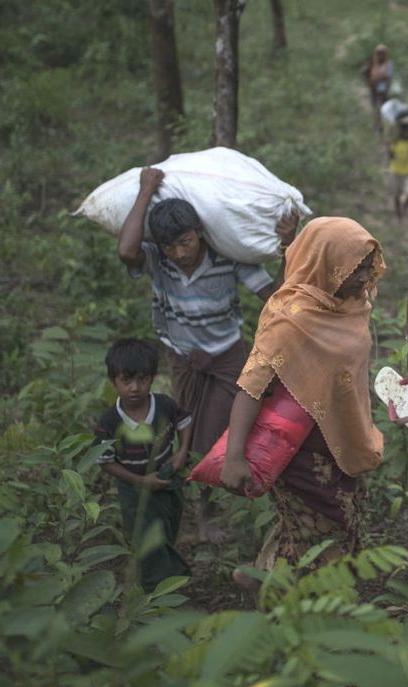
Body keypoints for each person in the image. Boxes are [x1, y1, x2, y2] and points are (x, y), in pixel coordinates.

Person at [117, 167, 297, 543]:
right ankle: (201, 508)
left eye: (186, 241)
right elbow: (126, 250)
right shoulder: (159, 261)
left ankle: (218, 507)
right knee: (187, 429)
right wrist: (146, 189)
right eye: (171, 246)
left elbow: (275, 296)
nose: (180, 253)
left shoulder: (227, 258)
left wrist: (287, 246)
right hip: (182, 358)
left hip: (227, 355)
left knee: (219, 430)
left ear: (200, 232)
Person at [220, 218, 385, 586]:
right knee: (328, 525)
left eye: (365, 267)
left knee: (337, 517)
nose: (363, 278)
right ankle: (305, 605)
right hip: (299, 448)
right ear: (325, 264)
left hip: (344, 436)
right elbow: (251, 387)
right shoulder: (291, 318)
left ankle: (265, 576)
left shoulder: (351, 305)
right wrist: (233, 458)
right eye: (354, 269)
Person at [93, 339, 192, 592]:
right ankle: (156, 587)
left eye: (142, 380)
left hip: (169, 479)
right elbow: (106, 462)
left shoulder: (164, 405)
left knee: (169, 527)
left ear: (152, 378)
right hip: (133, 488)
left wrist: (182, 452)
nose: (135, 388)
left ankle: (167, 576)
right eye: (126, 381)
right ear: (113, 381)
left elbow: (185, 422)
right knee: (146, 538)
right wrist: (140, 481)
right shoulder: (110, 421)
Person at [389, 120, 408, 221]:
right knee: (396, 194)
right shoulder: (396, 143)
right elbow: (391, 156)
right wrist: (389, 148)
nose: (407, 134)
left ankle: (404, 208)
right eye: (405, 131)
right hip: (396, 171)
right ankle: (399, 215)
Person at [362, 44, 395, 130]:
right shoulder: (372, 63)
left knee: (384, 108)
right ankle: (378, 125)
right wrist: (368, 82)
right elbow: (364, 73)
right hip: (374, 89)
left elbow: (389, 77)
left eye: (382, 53)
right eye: (379, 53)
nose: (380, 55)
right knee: (375, 108)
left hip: (384, 90)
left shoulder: (388, 64)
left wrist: (387, 89)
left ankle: (385, 126)